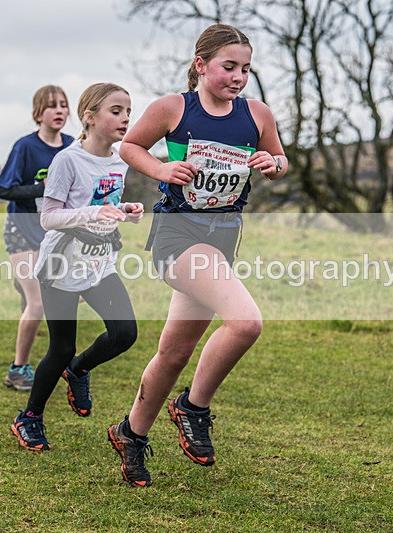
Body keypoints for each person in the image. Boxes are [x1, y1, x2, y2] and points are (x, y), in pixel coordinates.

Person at [107, 23, 288, 487]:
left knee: (174, 352)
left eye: (246, 69)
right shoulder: (174, 108)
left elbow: (280, 160)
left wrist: (274, 165)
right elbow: (130, 146)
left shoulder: (257, 114)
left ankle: (131, 434)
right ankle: (192, 406)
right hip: (178, 236)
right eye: (229, 67)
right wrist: (161, 168)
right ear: (201, 64)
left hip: (223, 237)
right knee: (246, 323)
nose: (238, 77)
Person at [11, 82, 145, 451]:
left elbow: (104, 204)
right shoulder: (67, 160)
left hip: (99, 262)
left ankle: (79, 370)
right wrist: (94, 212)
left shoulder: (121, 160)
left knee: (124, 333)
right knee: (60, 347)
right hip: (60, 265)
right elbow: (49, 218)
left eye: (128, 111)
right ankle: (29, 418)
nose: (125, 118)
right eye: (115, 111)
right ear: (89, 117)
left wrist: (125, 211)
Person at [0, 85, 74, 391]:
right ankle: (19, 368)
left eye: (64, 105)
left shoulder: (73, 147)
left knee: (70, 296)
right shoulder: (25, 147)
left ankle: (64, 362)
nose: (59, 111)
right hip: (22, 231)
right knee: (38, 303)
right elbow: (3, 189)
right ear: (38, 113)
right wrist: (44, 189)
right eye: (52, 106)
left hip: (56, 235)